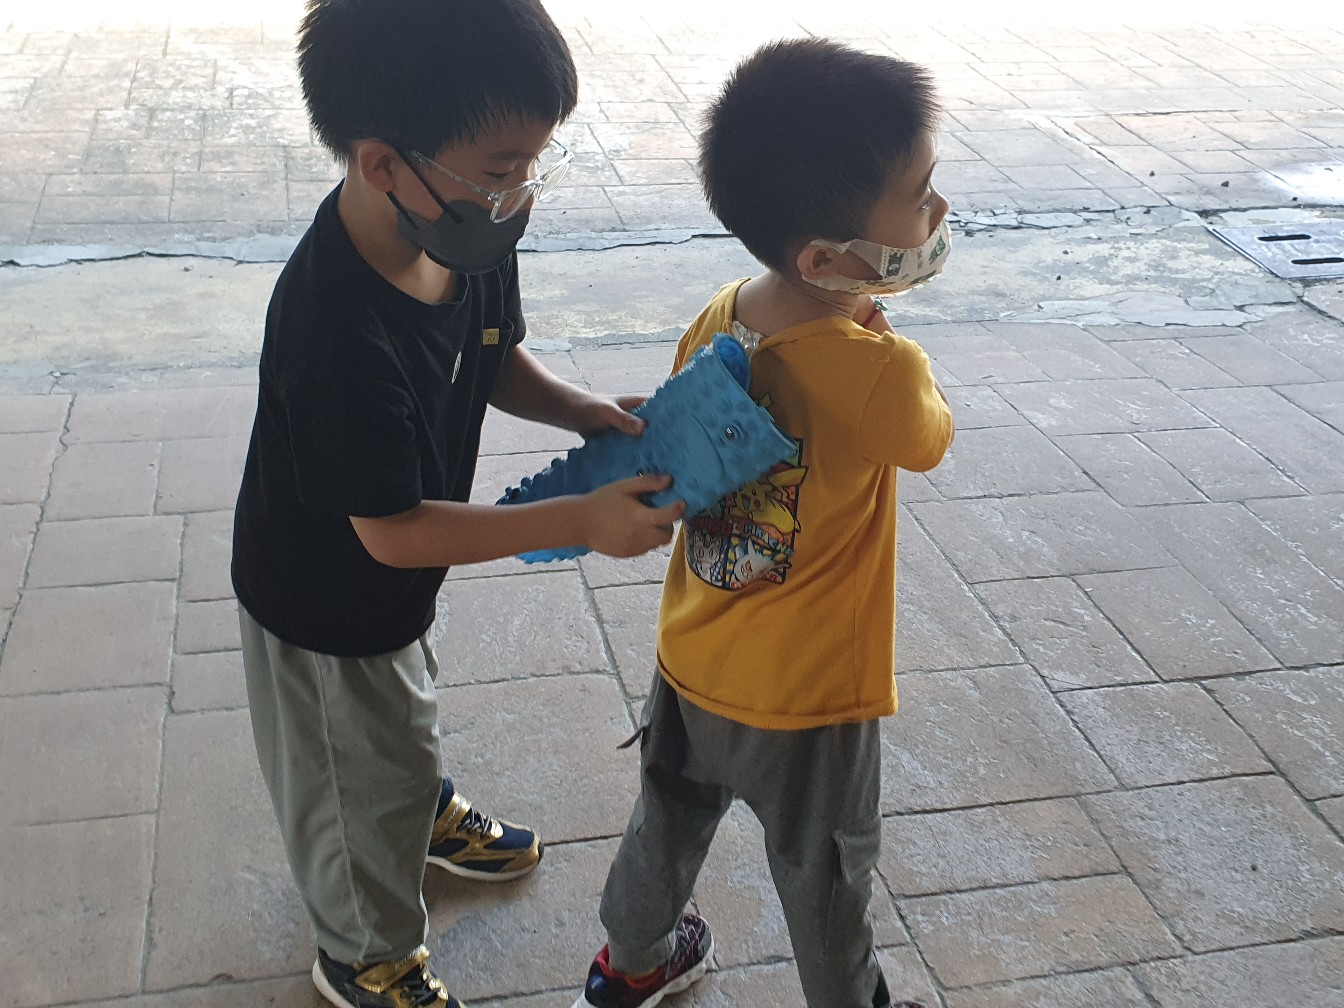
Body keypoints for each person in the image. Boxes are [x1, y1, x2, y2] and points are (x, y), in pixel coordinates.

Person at [230, 2, 685, 1006]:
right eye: (502, 167)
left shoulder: (462, 227)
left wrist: (577, 408)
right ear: (384, 163)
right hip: (322, 605)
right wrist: (578, 521)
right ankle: (364, 953)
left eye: (533, 164)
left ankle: (410, 801)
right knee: (353, 761)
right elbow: (392, 534)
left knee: (401, 711)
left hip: (391, 583)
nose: (519, 192)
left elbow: (492, 353)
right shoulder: (333, 330)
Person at [572, 38, 955, 1008]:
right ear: (825, 258)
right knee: (824, 873)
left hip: (695, 659)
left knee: (665, 827)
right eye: (920, 195)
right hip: (811, 700)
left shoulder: (719, 314)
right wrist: (887, 348)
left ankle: (632, 963)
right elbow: (930, 439)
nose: (939, 211)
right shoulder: (879, 370)